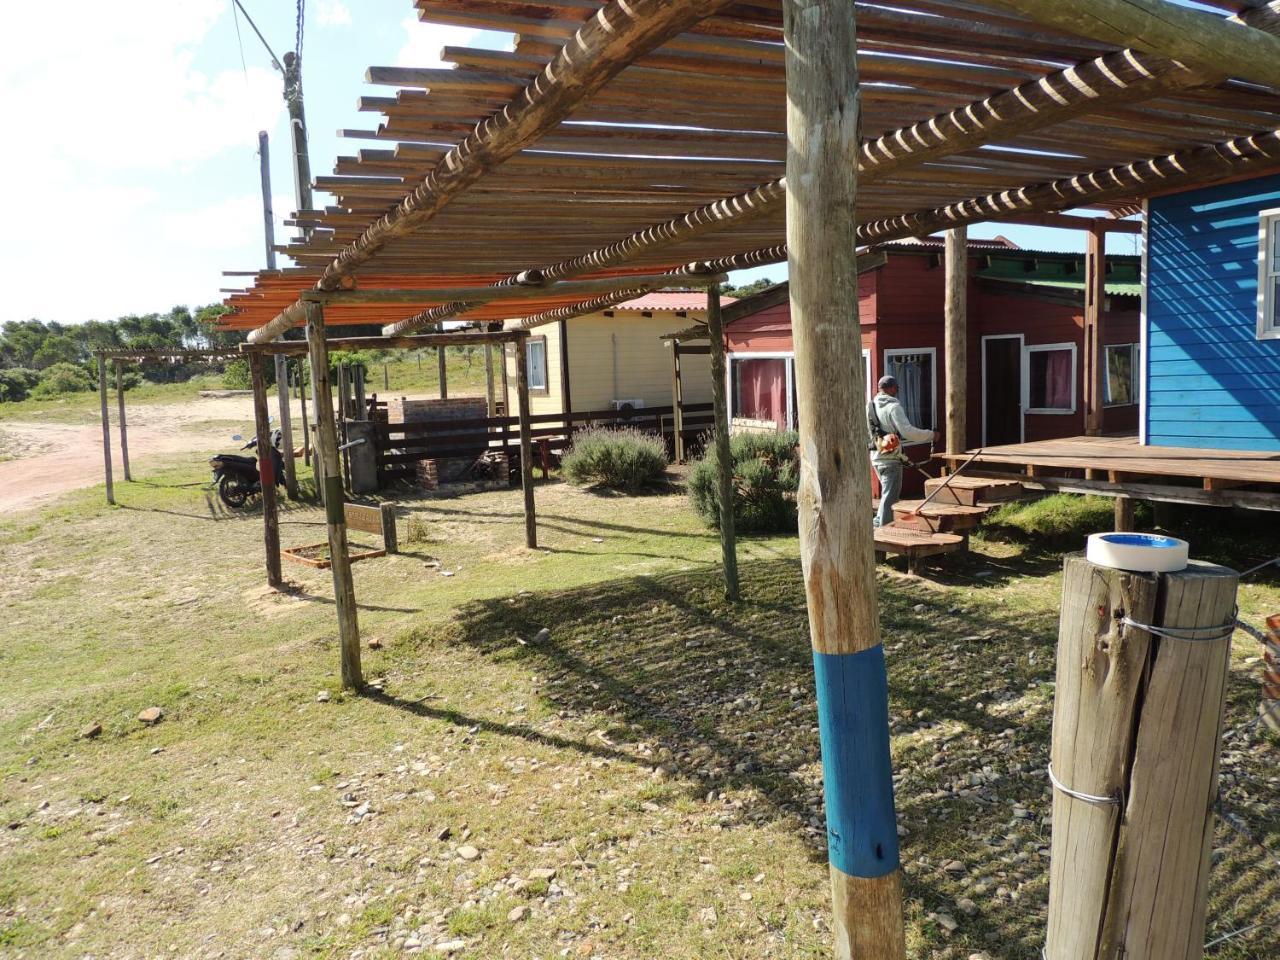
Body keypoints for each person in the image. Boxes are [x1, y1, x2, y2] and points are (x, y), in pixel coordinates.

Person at [868, 375, 940, 527]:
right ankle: (883, 532)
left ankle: (875, 526)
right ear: (892, 388)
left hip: (876, 457)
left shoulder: (872, 406)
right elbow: (907, 432)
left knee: (887, 496)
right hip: (890, 460)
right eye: (896, 388)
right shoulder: (893, 407)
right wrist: (931, 435)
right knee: (890, 499)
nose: (897, 392)